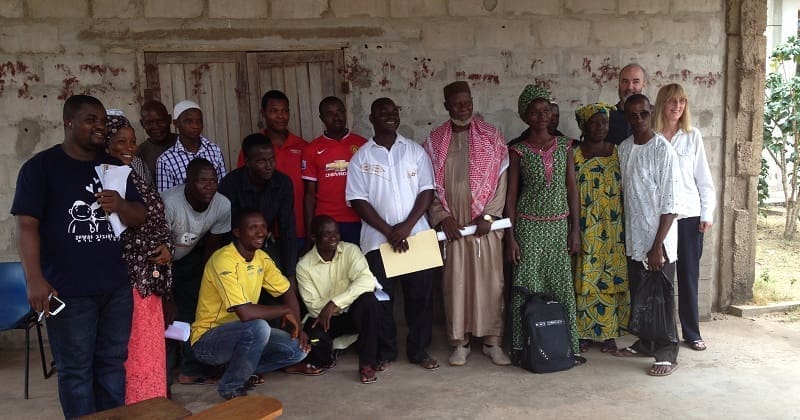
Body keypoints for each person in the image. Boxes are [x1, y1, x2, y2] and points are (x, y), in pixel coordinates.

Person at [12, 95, 146, 418]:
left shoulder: (114, 167)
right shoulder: (40, 169)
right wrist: (35, 279)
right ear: (69, 123)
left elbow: (140, 215)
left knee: (112, 367)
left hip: (114, 287)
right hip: (68, 291)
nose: (99, 127)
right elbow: (27, 225)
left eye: (101, 121)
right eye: (90, 120)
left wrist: (121, 205)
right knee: (76, 373)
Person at [346, 97, 440, 371]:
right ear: (372, 119)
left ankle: (419, 350)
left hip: (417, 235)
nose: (390, 115)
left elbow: (427, 190)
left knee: (421, 298)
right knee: (382, 299)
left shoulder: (414, 151)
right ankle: (387, 351)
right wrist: (389, 231)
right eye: (382, 112)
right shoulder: (361, 157)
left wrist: (407, 226)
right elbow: (358, 199)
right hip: (377, 239)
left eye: (393, 111)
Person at [424, 81, 511, 366]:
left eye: (467, 102)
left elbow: (502, 181)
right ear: (446, 105)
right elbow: (428, 186)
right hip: (453, 227)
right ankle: (459, 342)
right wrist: (441, 217)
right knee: (455, 284)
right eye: (457, 103)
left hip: (485, 227)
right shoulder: (434, 140)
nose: (463, 107)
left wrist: (489, 215)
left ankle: (491, 341)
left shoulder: (492, 136)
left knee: (491, 283)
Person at [190, 210, 309, 400]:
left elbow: (286, 290)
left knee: (297, 349)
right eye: (253, 228)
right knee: (258, 327)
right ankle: (231, 387)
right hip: (209, 340)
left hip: (244, 334)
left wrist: (298, 327)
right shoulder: (224, 260)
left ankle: (234, 370)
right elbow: (245, 313)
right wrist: (284, 310)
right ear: (237, 232)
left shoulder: (261, 257)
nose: (261, 232)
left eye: (263, 227)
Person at [505, 85, 583, 364]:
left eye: (546, 111)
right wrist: (510, 237)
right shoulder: (518, 151)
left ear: (552, 114)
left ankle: (567, 347)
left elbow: (572, 190)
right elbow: (511, 197)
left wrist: (575, 230)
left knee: (560, 286)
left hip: (559, 228)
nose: (541, 116)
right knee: (526, 285)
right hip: (528, 228)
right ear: (525, 115)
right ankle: (520, 347)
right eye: (535, 112)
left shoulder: (566, 146)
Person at [105, 110, 174, 403]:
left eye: (132, 141)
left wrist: (167, 246)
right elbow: (116, 233)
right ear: (105, 143)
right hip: (130, 279)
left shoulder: (133, 174)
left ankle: (154, 402)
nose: (128, 148)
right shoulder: (105, 179)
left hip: (151, 278)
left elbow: (158, 220)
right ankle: (138, 406)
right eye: (120, 141)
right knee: (134, 352)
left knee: (150, 350)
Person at [613, 93, 683, 377]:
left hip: (658, 241)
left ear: (651, 113)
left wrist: (658, 247)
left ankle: (667, 352)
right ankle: (646, 342)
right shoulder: (625, 148)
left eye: (643, 113)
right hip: (635, 238)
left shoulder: (662, 149)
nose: (639, 119)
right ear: (627, 118)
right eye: (633, 115)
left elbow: (670, 203)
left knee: (662, 298)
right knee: (641, 296)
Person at [653, 83, 716, 352]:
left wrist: (707, 212)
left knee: (688, 275)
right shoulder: (652, 137)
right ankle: (660, 333)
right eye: (671, 101)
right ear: (662, 104)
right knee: (659, 277)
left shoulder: (693, 136)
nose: (677, 106)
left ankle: (691, 332)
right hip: (660, 219)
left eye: (682, 101)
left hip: (689, 216)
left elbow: (704, 179)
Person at [161, 158, 231, 387]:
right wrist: (168, 295)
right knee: (168, 313)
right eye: (202, 181)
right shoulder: (169, 203)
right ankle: (161, 371)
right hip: (159, 264)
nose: (209, 186)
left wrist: (207, 285)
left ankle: (190, 369)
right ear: (188, 182)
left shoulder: (222, 205)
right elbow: (158, 253)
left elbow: (211, 247)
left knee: (194, 311)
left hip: (190, 260)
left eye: (213, 180)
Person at [296, 215, 383, 384]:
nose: (333, 237)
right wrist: (331, 308)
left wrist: (334, 303)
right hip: (325, 320)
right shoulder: (304, 266)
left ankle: (367, 363)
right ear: (314, 237)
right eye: (327, 234)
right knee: (316, 343)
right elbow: (313, 307)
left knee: (368, 301)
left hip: (351, 314)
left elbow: (367, 280)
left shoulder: (350, 251)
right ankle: (330, 352)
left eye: (336, 232)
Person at [572, 103, 629, 353]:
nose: (600, 128)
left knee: (610, 277)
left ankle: (609, 333)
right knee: (584, 276)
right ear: (583, 126)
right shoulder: (573, 153)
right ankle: (583, 332)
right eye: (594, 123)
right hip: (584, 226)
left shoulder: (618, 152)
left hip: (613, 227)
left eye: (604, 123)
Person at [219, 134, 298, 281]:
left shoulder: (283, 183)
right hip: (234, 249)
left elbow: (287, 228)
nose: (269, 166)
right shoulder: (230, 184)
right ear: (247, 162)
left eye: (272, 159)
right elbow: (226, 231)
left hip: (266, 246)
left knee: (283, 287)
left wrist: (290, 274)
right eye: (262, 161)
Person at [238, 90, 307, 247]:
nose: (280, 116)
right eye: (274, 111)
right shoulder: (253, 149)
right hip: (261, 232)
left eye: (284, 111)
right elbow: (244, 188)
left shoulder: (303, 147)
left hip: (297, 227)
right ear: (263, 113)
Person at [302, 96, 368, 246]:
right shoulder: (311, 149)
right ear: (321, 118)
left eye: (340, 112)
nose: (336, 117)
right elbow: (310, 194)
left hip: (358, 219)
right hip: (326, 221)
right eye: (329, 113)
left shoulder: (363, 144)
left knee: (357, 266)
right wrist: (309, 231)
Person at [156, 100, 227, 192]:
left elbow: (223, 187)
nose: (195, 126)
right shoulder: (166, 160)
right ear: (176, 123)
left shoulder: (214, 150)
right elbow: (165, 197)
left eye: (199, 121)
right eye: (189, 121)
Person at [138, 100, 178, 183]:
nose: (156, 126)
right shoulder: (140, 153)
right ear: (142, 124)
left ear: (169, 119)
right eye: (149, 123)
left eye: (160, 121)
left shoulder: (184, 143)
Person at [607, 63, 647, 145]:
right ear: (619, 84)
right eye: (625, 81)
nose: (629, 87)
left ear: (643, 85)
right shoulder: (606, 116)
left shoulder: (655, 115)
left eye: (636, 82)